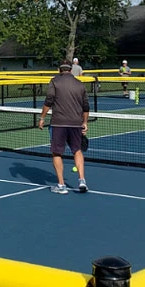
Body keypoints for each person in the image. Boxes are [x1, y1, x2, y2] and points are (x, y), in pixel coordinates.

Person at [38, 60, 90, 195]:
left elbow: (49, 100)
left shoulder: (54, 81)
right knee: (77, 150)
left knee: (56, 153)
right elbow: (86, 107)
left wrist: (42, 117)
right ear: (71, 70)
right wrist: (85, 122)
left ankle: (61, 185)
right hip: (76, 123)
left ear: (59, 70)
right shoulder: (80, 84)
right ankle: (82, 180)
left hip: (58, 123)